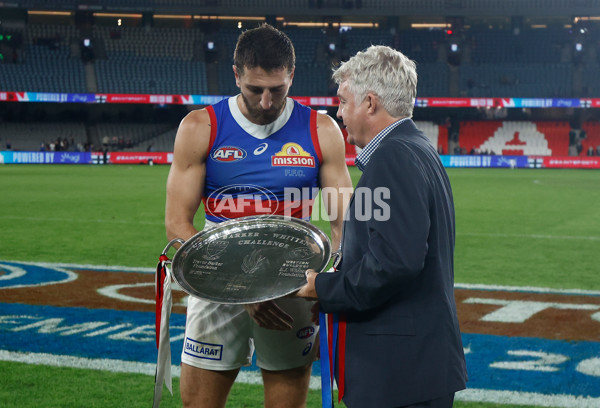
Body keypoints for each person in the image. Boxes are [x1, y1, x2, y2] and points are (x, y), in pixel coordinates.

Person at [165, 24, 352, 408]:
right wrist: (237, 288)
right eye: (255, 89)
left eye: (278, 89)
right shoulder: (200, 127)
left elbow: (343, 220)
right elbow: (177, 223)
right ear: (236, 74)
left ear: (292, 76)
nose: (267, 102)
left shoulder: (321, 129)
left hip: (295, 281)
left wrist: (332, 276)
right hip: (216, 282)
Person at [296, 45, 468, 408]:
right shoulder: (416, 147)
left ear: (370, 103)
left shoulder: (393, 156)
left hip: (399, 372)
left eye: (343, 102)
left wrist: (323, 288)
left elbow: (396, 261)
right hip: (414, 365)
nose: (339, 113)